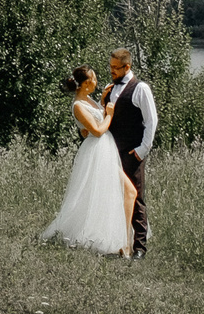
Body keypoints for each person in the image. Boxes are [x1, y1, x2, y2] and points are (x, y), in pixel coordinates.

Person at [38, 65, 134, 256]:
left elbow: (90, 127)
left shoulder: (88, 100)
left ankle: (123, 242)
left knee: (115, 194)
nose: (96, 82)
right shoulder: (77, 106)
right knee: (128, 192)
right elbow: (98, 131)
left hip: (105, 150)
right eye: (94, 79)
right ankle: (124, 244)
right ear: (85, 84)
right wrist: (109, 114)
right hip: (98, 150)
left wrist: (102, 103)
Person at [103, 48, 158, 258]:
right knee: (114, 196)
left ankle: (139, 248)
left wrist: (142, 150)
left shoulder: (140, 88)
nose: (112, 71)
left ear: (127, 67)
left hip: (132, 151)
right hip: (111, 152)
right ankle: (119, 242)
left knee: (136, 198)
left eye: (116, 68)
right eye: (110, 67)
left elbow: (151, 121)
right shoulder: (109, 89)